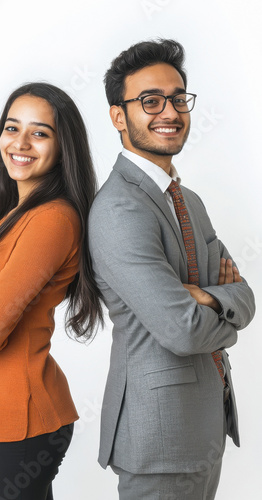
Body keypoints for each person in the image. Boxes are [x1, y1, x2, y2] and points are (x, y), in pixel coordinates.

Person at [88, 39, 255, 499]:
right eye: (150, 100)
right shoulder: (120, 209)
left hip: (203, 426)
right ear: (118, 116)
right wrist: (229, 321)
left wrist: (211, 297)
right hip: (158, 440)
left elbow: (244, 292)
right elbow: (182, 331)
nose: (170, 111)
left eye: (178, 98)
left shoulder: (189, 200)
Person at [0, 82, 102, 500]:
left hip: (19, 420)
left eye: (40, 132)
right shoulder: (8, 213)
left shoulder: (52, 220)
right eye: (12, 128)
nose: (20, 142)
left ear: (63, 146)